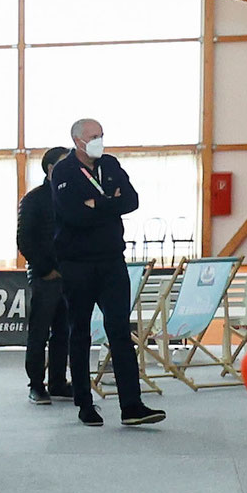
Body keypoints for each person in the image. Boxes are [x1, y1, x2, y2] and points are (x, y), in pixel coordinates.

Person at [54, 119, 164, 427]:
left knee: (119, 331)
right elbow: (73, 214)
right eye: (93, 137)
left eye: (101, 136)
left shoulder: (111, 164)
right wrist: (109, 203)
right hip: (77, 264)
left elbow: (131, 200)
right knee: (80, 332)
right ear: (77, 141)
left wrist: (96, 204)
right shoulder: (64, 172)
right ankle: (84, 403)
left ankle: (132, 404)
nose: (99, 141)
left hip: (112, 261)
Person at [18, 147, 72, 405]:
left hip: (72, 276)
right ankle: (36, 385)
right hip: (45, 276)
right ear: (50, 169)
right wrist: (45, 269)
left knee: (65, 332)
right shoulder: (34, 199)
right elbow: (24, 240)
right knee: (39, 332)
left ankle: (59, 382)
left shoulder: (74, 196)